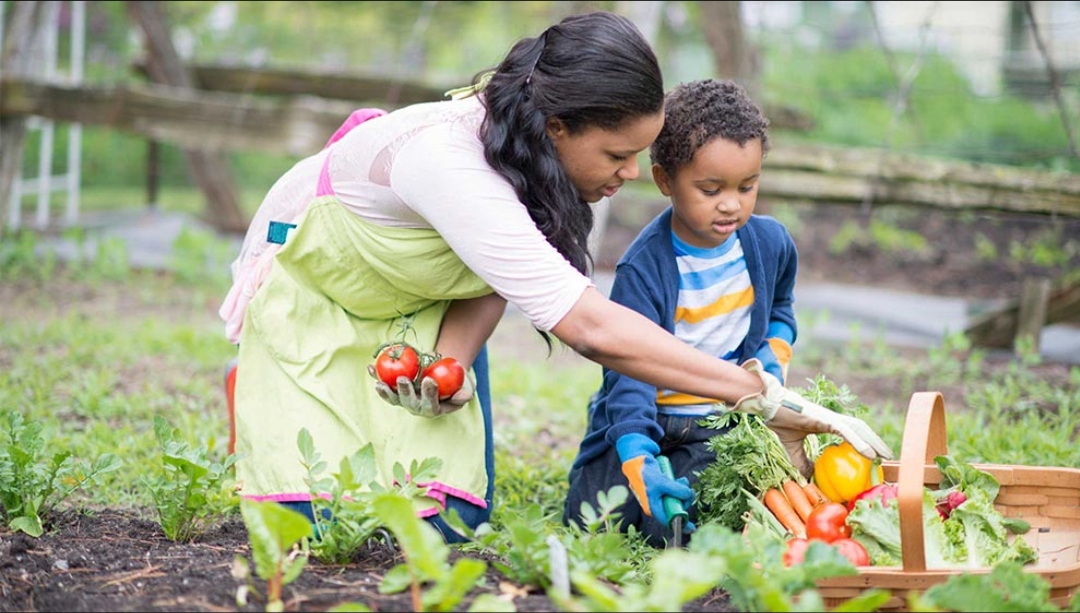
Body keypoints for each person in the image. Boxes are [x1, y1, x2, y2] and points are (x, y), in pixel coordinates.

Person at [218, 12, 891, 545]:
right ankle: (260, 402)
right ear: (558, 126)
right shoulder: (448, 163)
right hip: (322, 285)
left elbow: (491, 273)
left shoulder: (533, 161)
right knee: (322, 532)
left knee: (445, 527)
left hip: (410, 297)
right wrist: (768, 398)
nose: (632, 173)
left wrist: (448, 365)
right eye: (618, 154)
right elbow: (593, 328)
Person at [562, 79, 891, 548]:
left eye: (747, 186)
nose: (732, 204)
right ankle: (631, 473)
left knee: (677, 526)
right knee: (591, 519)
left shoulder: (770, 244)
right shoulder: (646, 265)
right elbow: (627, 370)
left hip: (716, 422)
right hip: (646, 409)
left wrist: (770, 365)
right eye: (711, 188)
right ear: (664, 181)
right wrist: (635, 450)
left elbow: (780, 309)